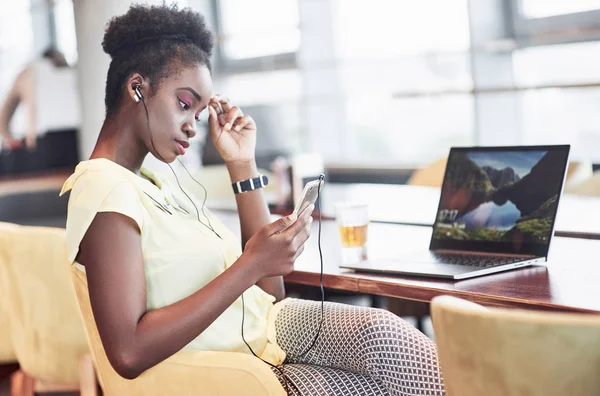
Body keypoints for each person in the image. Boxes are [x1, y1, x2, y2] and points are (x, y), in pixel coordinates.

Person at [59, 5, 445, 395]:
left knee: (386, 338)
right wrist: (249, 264)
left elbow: (269, 292)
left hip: (267, 335)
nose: (193, 126)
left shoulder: (157, 181)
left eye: (198, 111)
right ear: (137, 87)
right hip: (233, 374)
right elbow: (127, 352)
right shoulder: (103, 186)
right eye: (184, 103)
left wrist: (242, 165)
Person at [0, 47, 80, 175]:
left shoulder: (28, 73)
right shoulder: (77, 71)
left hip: (45, 147)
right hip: (79, 140)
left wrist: (12, 141)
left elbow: (2, 121)